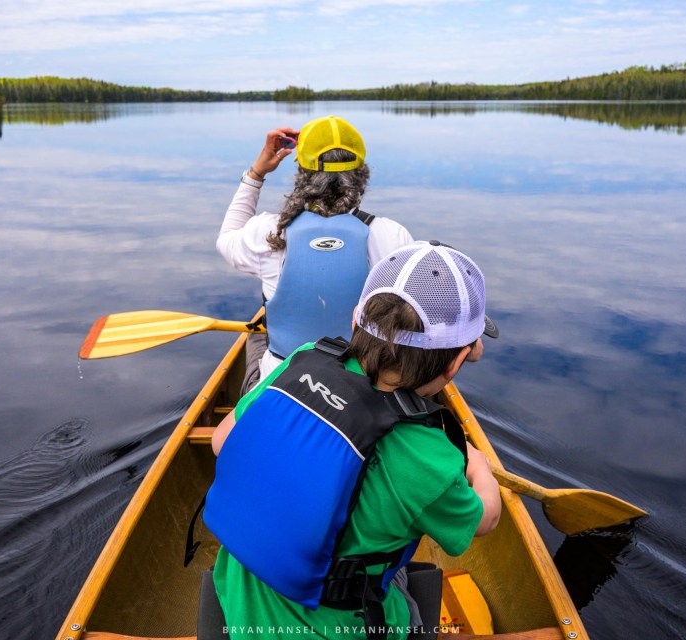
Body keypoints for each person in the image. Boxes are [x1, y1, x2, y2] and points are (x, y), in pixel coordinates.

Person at [204, 241, 502, 640]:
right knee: (403, 609)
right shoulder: (429, 458)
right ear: (455, 362)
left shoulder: (306, 359)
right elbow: (484, 521)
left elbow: (221, 441)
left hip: (240, 595)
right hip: (335, 629)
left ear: (355, 319)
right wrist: (480, 469)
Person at [217, 115, 414, 392]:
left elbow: (226, 238)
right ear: (361, 174)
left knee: (257, 337)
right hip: (359, 390)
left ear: (302, 174)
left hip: (283, 389)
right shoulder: (391, 235)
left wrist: (256, 175)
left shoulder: (270, 232)